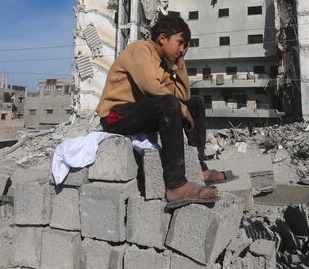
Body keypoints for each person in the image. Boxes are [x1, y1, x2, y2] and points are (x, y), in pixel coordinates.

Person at [95, 15, 230, 208]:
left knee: (196, 104)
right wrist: (180, 107)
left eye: (185, 46)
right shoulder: (140, 49)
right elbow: (150, 86)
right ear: (162, 38)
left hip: (139, 113)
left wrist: (180, 61)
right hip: (115, 115)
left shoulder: (163, 65)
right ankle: (176, 186)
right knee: (169, 103)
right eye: (180, 43)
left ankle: (199, 168)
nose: (183, 49)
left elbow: (183, 94)